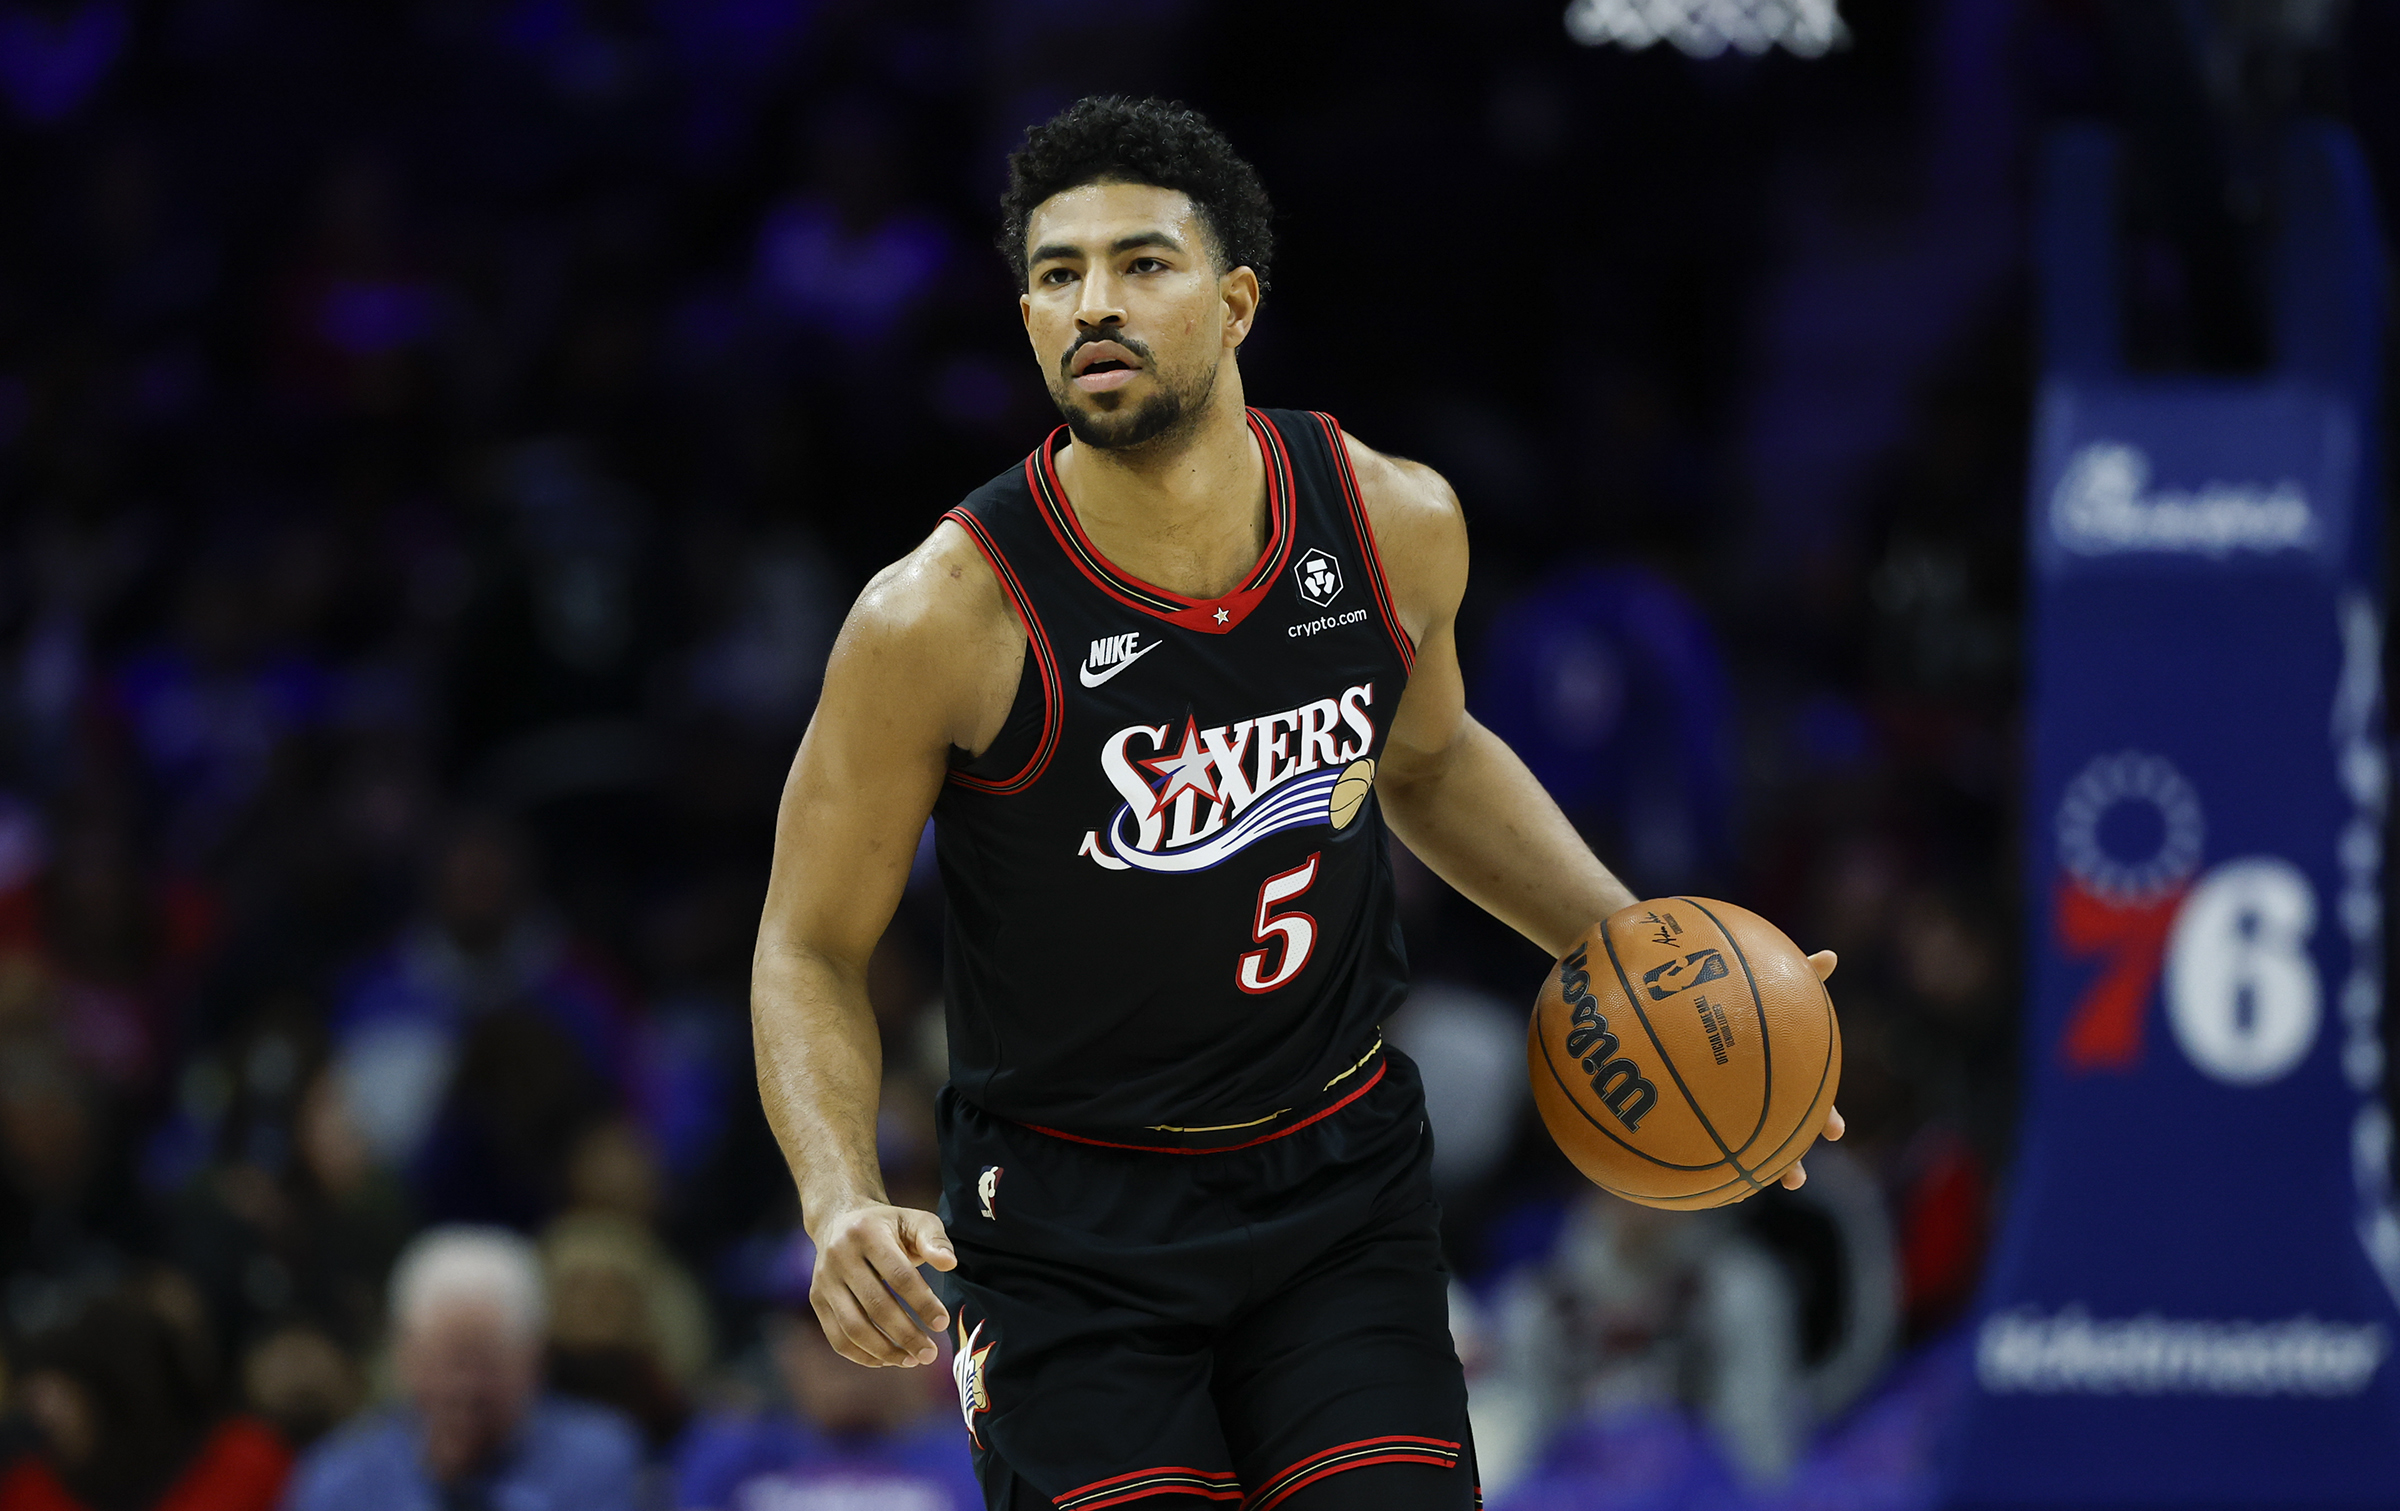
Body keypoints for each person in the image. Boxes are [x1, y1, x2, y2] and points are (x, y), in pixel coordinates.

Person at [750, 95, 1845, 1511]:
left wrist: (1645, 956)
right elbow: (808, 943)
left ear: (1237, 302)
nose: (1096, 303)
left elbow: (1429, 760)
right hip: (1073, 1224)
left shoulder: (1393, 519)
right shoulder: (939, 617)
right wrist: (838, 1193)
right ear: (1027, 318)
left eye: (1143, 262)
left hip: (1336, 1181)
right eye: (1059, 274)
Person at [281, 1226, 641, 1511]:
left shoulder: (599, 1458)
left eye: (486, 1364)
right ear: (404, 1357)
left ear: (535, 1360)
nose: (464, 1389)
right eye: (448, 1362)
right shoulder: (340, 1477)